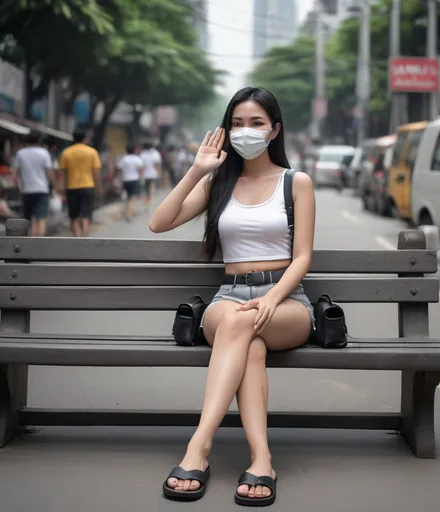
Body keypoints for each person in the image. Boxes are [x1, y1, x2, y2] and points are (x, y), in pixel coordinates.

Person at [150, 87, 315, 506]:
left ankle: (198, 448)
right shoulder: (218, 183)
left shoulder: (296, 182)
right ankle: (261, 459)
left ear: (274, 129)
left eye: (256, 123)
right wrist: (196, 170)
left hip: (287, 300)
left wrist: (273, 298)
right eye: (237, 123)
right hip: (230, 294)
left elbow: (303, 257)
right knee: (248, 342)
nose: (246, 131)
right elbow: (159, 222)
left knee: (242, 323)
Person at [59, 130, 103, 237]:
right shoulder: (92, 152)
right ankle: (84, 238)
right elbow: (96, 172)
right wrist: (99, 187)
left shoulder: (66, 153)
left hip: (72, 188)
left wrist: (60, 188)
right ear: (85, 139)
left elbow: (63, 173)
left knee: (74, 217)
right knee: (86, 216)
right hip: (88, 186)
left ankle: (78, 239)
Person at [12, 130, 56, 236]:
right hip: (42, 190)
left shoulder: (20, 153)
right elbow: (49, 172)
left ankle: (28, 242)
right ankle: (38, 244)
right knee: (41, 218)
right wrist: (54, 186)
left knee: (27, 218)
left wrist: (17, 187)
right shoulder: (44, 153)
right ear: (40, 140)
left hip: (26, 190)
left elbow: (14, 174)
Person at [117, 145, 143, 221]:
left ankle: (129, 210)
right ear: (134, 150)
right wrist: (141, 177)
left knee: (129, 197)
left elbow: (119, 169)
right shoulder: (137, 159)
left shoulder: (124, 159)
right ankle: (129, 213)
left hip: (126, 180)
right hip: (134, 180)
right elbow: (140, 169)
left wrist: (120, 179)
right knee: (133, 198)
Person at [140, 142, 162, 210]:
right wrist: (159, 172)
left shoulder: (142, 154)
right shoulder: (155, 153)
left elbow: (141, 165)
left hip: (145, 175)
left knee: (147, 189)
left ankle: (148, 201)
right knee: (151, 187)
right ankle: (149, 200)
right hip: (153, 174)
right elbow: (157, 164)